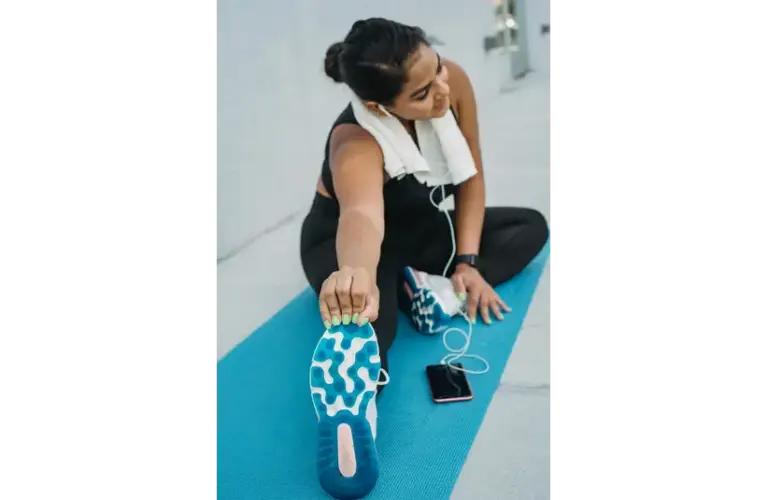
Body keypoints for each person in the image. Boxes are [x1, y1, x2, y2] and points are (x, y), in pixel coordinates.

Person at [300, 17, 549, 387]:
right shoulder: (355, 142)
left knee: (529, 227)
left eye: (438, 69)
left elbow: (471, 175)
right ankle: (353, 414)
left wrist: (466, 263)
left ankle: (437, 293)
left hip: (418, 227)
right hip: (351, 243)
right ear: (379, 107)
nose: (442, 92)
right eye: (421, 94)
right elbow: (362, 216)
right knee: (367, 334)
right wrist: (358, 279)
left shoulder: (453, 82)